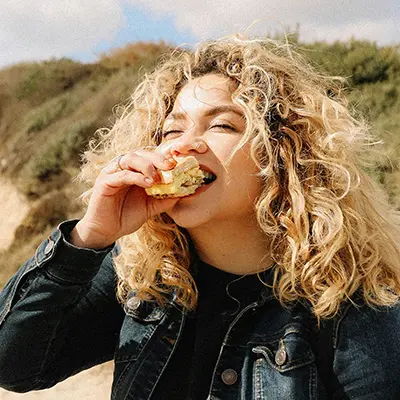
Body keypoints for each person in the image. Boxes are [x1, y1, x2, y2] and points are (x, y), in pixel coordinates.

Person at [0, 35, 400, 400]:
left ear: (282, 155)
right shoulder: (143, 277)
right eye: (171, 131)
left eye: (222, 124)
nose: (184, 145)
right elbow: (13, 366)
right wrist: (89, 236)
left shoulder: (352, 307)